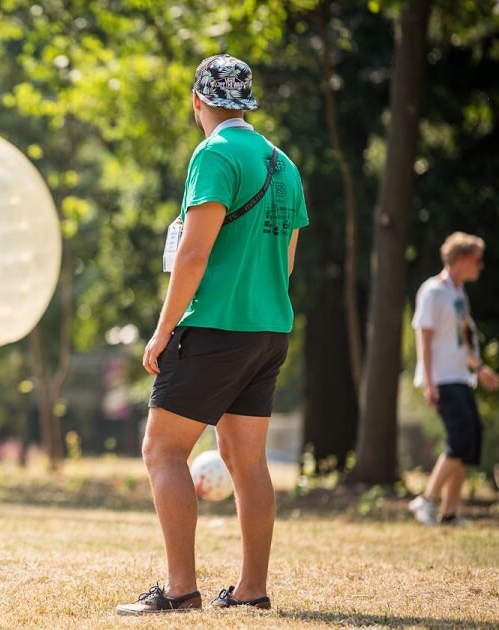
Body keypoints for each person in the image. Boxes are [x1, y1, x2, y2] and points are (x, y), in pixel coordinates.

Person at [117, 54, 307, 614]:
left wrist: (162, 330)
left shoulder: (214, 154)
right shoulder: (283, 163)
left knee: (162, 450)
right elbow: (287, 261)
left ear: (197, 101)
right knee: (247, 461)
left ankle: (180, 590)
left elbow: (193, 253)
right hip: (269, 328)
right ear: (246, 102)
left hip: (215, 326)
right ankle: (251, 591)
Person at [407, 233, 498, 527]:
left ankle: (449, 513)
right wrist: (430, 383)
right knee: (460, 440)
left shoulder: (459, 293)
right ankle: (426, 500)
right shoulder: (433, 291)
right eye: (476, 260)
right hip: (443, 379)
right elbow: (424, 337)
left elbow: (462, 340)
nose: (480, 266)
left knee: (469, 440)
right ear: (460, 260)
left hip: (461, 377)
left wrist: (479, 367)